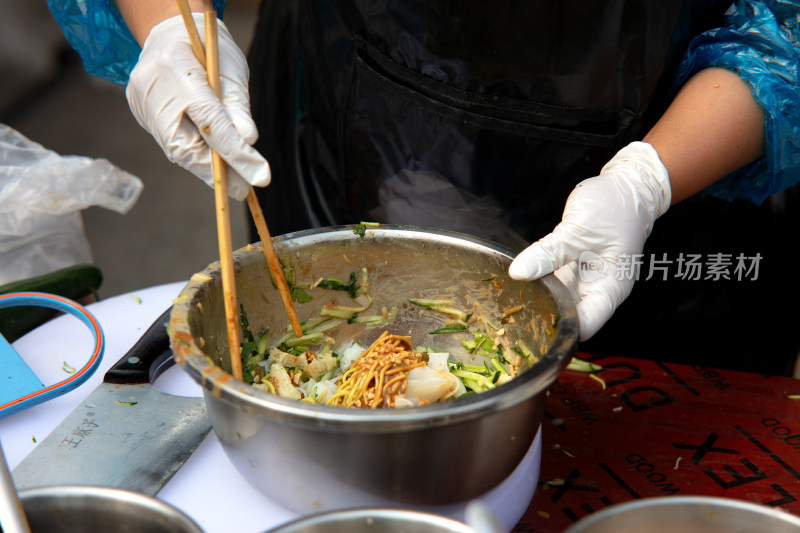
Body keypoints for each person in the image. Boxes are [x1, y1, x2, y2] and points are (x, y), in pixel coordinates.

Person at [48, 0, 800, 375]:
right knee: (306, 343)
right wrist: (171, 31)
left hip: (677, 201)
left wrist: (646, 181)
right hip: (340, 119)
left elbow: (786, 35)